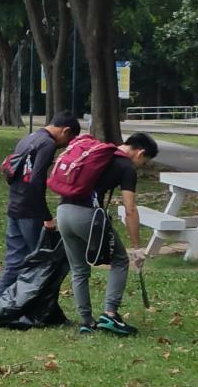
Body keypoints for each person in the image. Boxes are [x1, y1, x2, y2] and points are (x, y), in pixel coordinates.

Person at [56, 132, 159, 336]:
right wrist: (137, 247)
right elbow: (130, 210)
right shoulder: (126, 167)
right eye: (144, 162)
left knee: (79, 269)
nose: (141, 165)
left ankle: (86, 322)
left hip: (63, 212)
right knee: (120, 260)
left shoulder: (99, 153)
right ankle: (110, 314)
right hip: (87, 216)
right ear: (141, 152)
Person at [0, 112, 82, 322]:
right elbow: (37, 181)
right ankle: (42, 313)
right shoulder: (46, 144)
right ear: (66, 131)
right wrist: (46, 216)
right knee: (42, 264)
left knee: (14, 263)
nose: (64, 146)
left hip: (15, 207)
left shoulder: (28, 138)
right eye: (68, 141)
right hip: (31, 211)